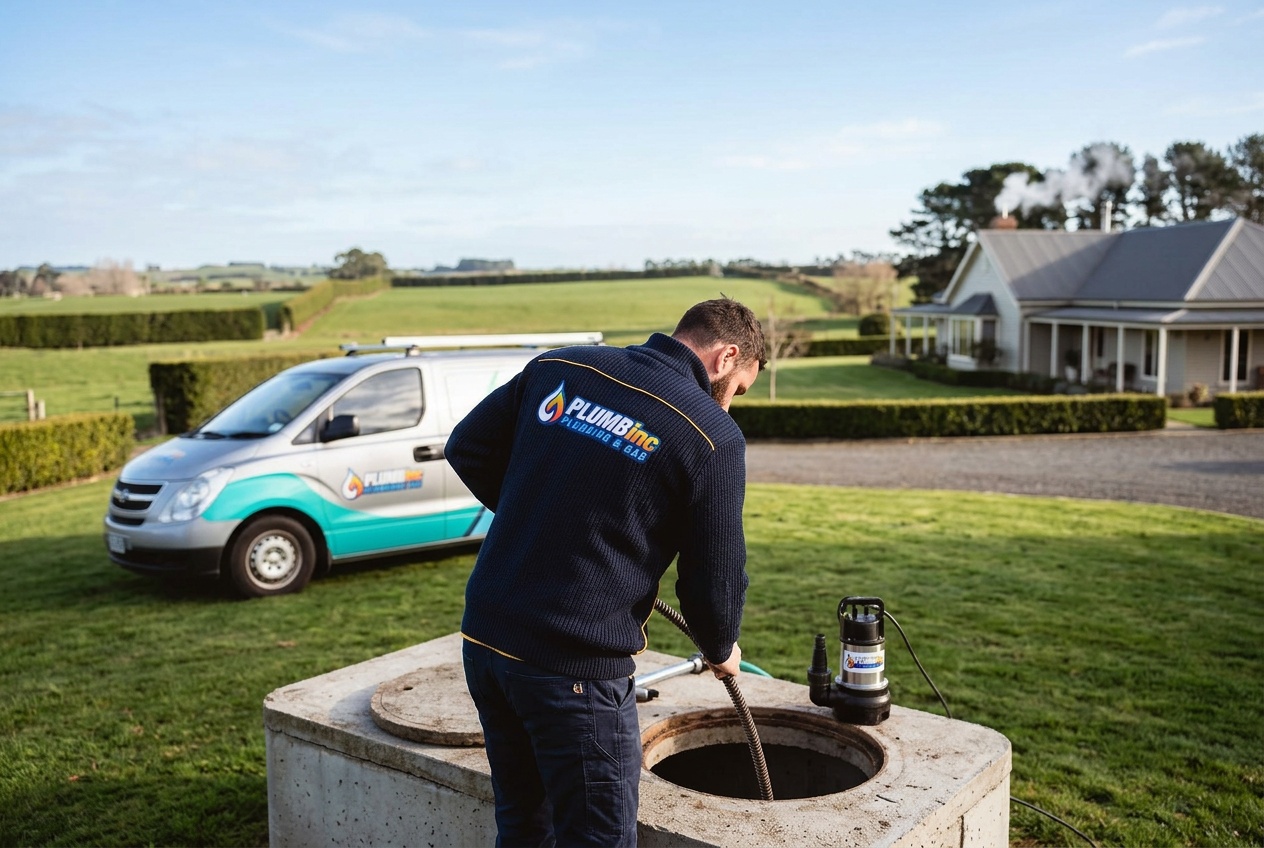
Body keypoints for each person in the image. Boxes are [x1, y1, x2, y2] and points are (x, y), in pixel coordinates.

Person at [447, 297, 766, 847]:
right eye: (739, 388)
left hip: (486, 642)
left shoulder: (563, 367)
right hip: (574, 670)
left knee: (524, 825)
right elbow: (712, 576)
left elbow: (468, 447)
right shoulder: (710, 435)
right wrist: (720, 647)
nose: (731, 404)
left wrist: (548, 517)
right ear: (726, 356)